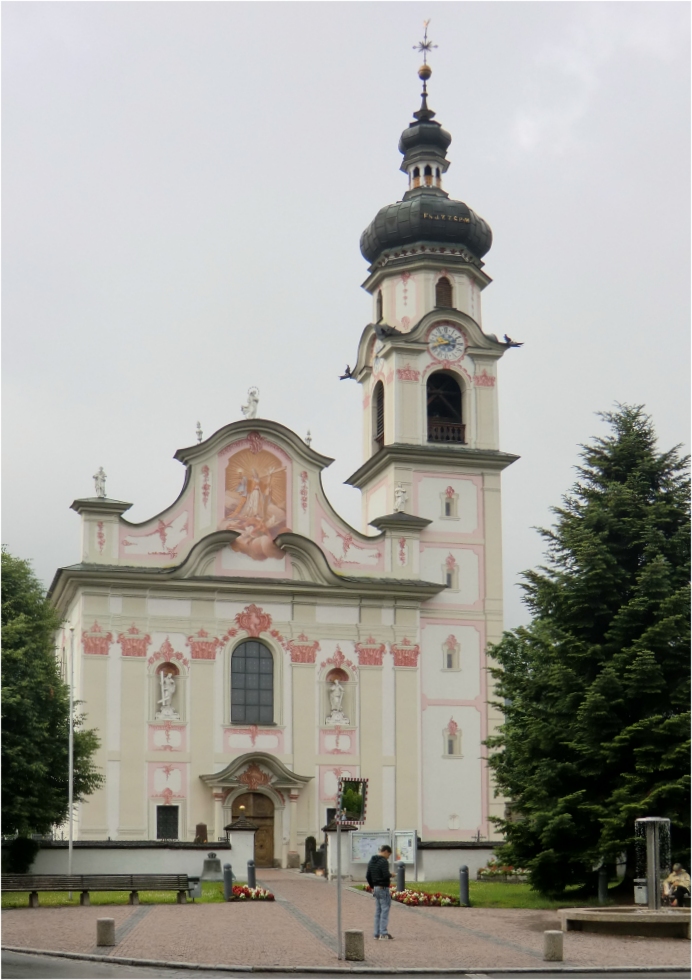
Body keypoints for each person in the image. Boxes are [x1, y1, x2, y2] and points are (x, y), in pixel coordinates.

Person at [366, 844, 393, 940]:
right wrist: (391, 875)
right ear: (385, 851)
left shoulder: (371, 861)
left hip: (376, 888)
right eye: (388, 855)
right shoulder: (383, 861)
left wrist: (372, 886)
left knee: (378, 911)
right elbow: (385, 875)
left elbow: (368, 875)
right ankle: (383, 933)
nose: (388, 857)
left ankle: (376, 933)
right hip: (383, 887)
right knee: (385, 910)